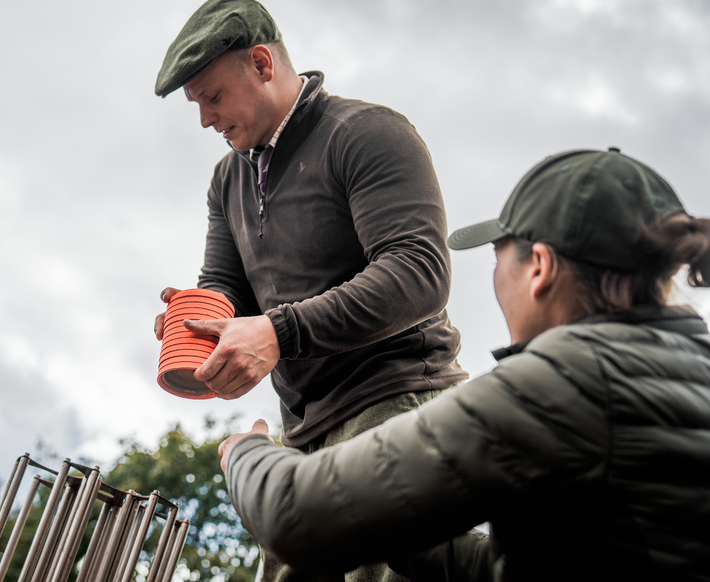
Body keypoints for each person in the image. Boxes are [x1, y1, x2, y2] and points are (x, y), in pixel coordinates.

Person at [219, 147, 710, 582]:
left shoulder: (564, 382)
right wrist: (386, 520)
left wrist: (247, 454)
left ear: (539, 267)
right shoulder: (688, 367)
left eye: (500, 256)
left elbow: (297, 516)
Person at [153, 0, 468, 582]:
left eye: (213, 97)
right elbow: (226, 288)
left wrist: (278, 331)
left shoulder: (367, 133)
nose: (204, 120)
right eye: (195, 105)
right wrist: (201, 327)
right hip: (302, 432)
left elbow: (419, 270)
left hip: (395, 405)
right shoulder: (228, 179)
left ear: (263, 64)